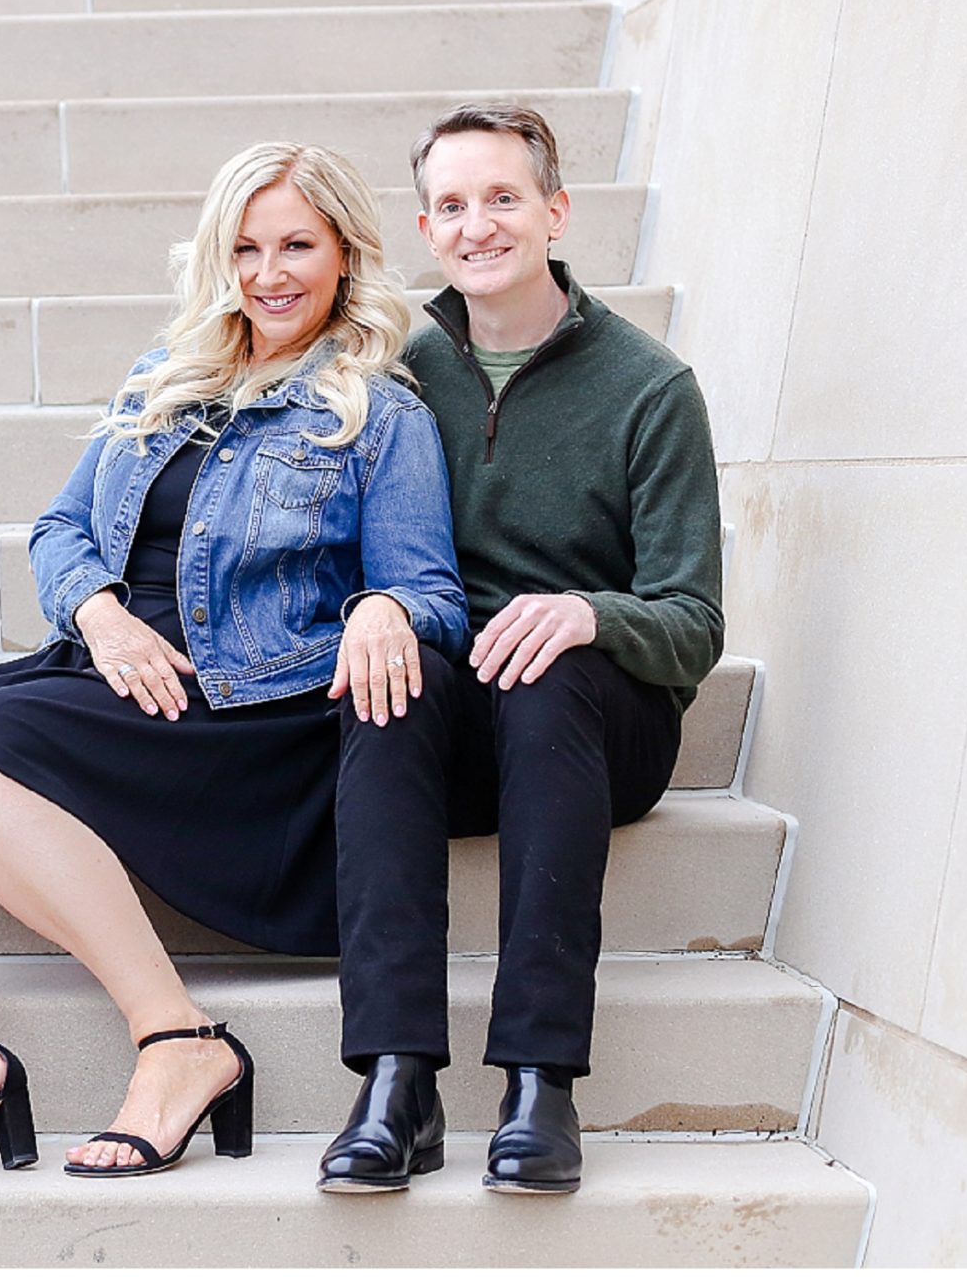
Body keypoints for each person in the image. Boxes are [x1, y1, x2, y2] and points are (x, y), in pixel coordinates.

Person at [0, 142, 466, 1185]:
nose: (270, 273)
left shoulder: (374, 408)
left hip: (246, 703)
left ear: (346, 251)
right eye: (246, 247)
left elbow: (434, 591)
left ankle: (176, 1040)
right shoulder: (166, 374)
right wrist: (100, 612)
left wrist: (384, 604)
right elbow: (62, 528)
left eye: (297, 243)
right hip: (114, 662)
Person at [317, 103, 725, 1196]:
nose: (478, 224)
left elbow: (693, 620)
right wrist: (376, 606)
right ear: (424, 226)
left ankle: (541, 1077)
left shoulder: (650, 389)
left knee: (548, 672)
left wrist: (591, 612)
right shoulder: (393, 371)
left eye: (502, 197)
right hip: (455, 718)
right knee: (381, 686)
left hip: (596, 726)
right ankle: (397, 1078)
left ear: (554, 210)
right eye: (451, 205)